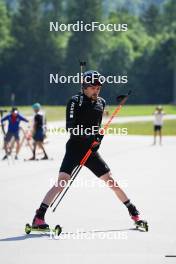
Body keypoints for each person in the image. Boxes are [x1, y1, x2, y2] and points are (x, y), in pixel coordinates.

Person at [32, 70, 143, 229]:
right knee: (62, 181)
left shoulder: (101, 102)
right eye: (93, 88)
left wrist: (97, 139)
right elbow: (70, 127)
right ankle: (38, 217)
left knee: (110, 180)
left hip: (90, 151)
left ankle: (133, 212)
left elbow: (97, 128)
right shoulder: (75, 101)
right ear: (84, 87)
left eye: (98, 88)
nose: (96, 91)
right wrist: (90, 134)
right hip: (75, 148)